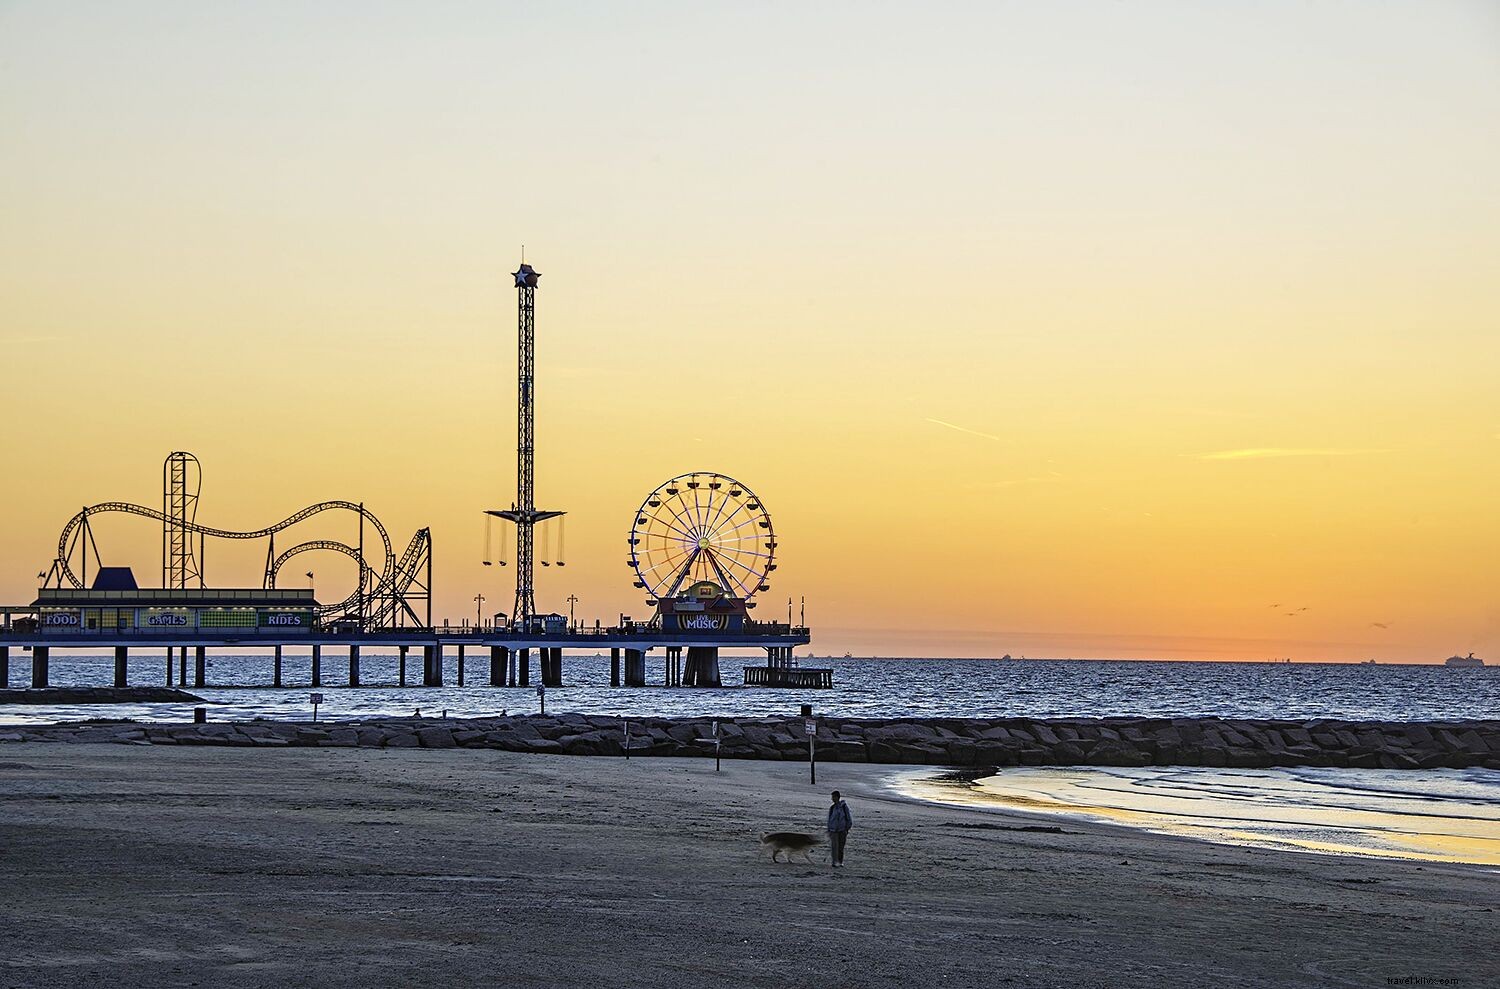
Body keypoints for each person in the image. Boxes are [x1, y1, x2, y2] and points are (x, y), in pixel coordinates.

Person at [826, 790, 853, 867]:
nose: (833, 799)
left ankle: (840, 861)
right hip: (833, 830)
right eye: (832, 797)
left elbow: (848, 818)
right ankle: (835, 862)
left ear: (838, 797)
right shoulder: (832, 808)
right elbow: (829, 819)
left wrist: (847, 828)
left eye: (834, 797)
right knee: (834, 847)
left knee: (840, 847)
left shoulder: (844, 807)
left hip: (842, 830)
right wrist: (829, 829)